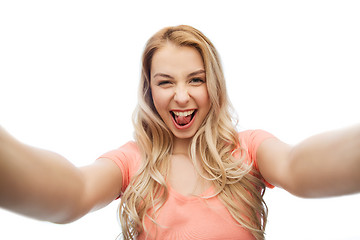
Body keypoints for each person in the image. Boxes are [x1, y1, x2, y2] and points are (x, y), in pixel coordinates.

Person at [0, 25, 359, 240]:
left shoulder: (247, 149)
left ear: (213, 84)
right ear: (149, 91)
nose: (182, 96)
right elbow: (72, 193)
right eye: (165, 82)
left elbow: (300, 167)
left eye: (196, 80)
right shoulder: (132, 161)